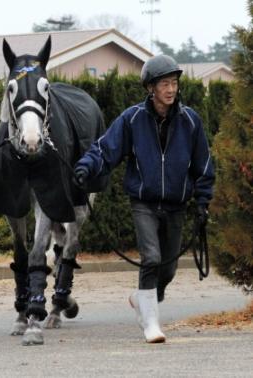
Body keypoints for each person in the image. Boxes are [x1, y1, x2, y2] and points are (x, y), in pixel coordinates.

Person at [74, 55, 215, 343]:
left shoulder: (191, 121)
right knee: (151, 257)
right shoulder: (132, 119)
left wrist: (202, 202)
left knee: (170, 268)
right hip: (144, 203)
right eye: (165, 83)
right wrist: (85, 167)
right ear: (151, 87)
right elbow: (105, 150)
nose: (171, 89)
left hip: (177, 204)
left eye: (174, 83)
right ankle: (151, 324)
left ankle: (143, 299)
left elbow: (203, 165)